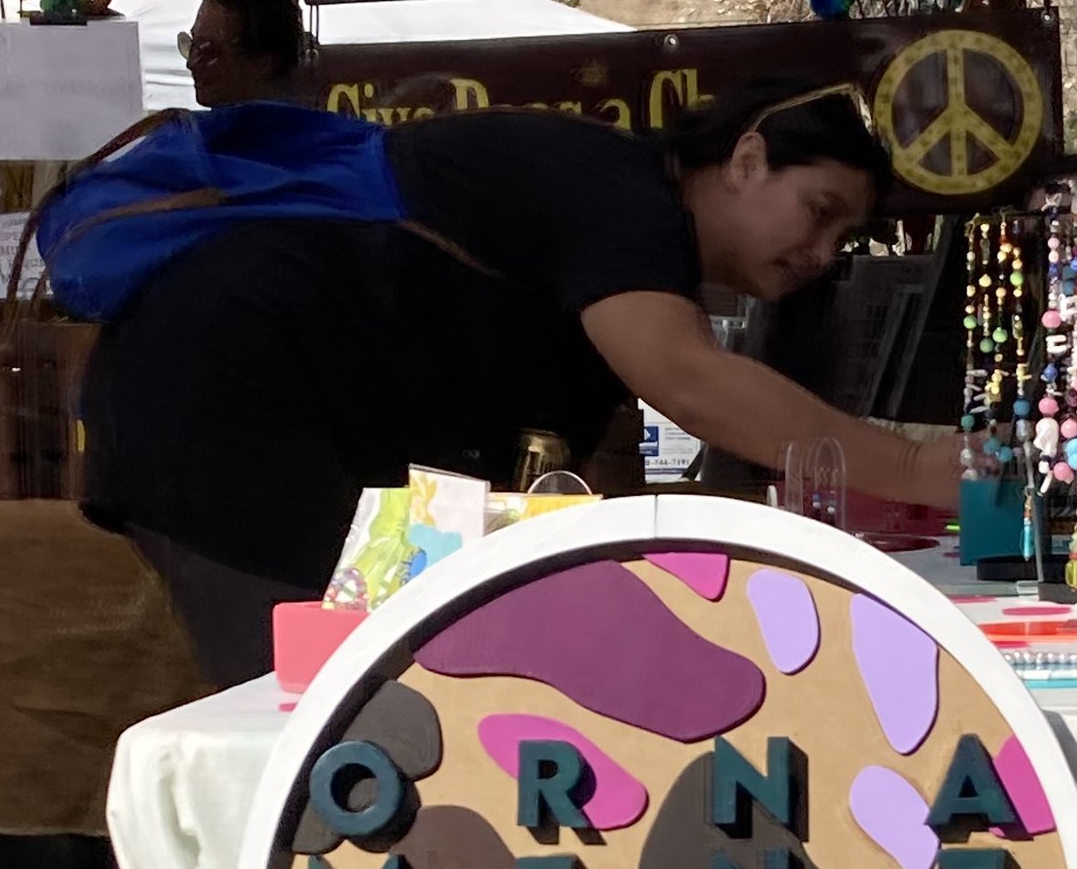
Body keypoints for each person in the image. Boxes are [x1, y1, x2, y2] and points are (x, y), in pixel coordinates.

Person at [79, 79, 961, 683]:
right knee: (312, 714)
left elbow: (563, 482)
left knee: (376, 696)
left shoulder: (626, 257)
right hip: (229, 414)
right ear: (746, 159)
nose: (822, 253)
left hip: (296, 437)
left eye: (845, 239)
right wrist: (917, 470)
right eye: (819, 212)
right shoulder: (623, 197)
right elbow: (689, 380)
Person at [180, 0, 308, 108]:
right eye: (193, 46)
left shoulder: (180, 122)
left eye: (207, 50)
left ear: (263, 61)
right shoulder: (318, 118)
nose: (191, 64)